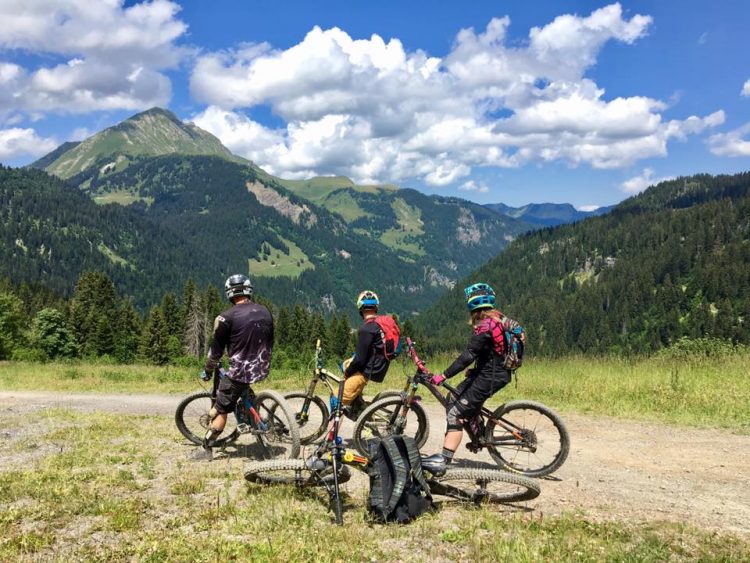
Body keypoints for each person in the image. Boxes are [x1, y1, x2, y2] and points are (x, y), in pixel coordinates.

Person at [429, 282, 525, 464]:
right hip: (492, 373)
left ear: (472, 305)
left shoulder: (484, 326)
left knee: (455, 413)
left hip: (491, 377)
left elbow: (468, 355)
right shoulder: (498, 319)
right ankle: (477, 432)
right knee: (453, 397)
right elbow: (493, 351)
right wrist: (476, 369)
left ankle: (443, 462)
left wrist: (444, 375)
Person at [193, 274, 274, 461]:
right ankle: (250, 413)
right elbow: (270, 340)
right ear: (249, 290)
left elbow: (215, 351)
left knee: (221, 408)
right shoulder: (265, 311)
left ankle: (206, 447)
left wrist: (207, 370)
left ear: (230, 293)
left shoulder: (225, 318)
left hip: (240, 372)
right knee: (242, 391)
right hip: (262, 367)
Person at [340, 290, 393, 420]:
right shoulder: (379, 325)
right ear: (376, 307)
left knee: (336, 399)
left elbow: (359, 360)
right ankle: (357, 402)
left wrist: (348, 372)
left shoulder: (366, 329)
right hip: (378, 366)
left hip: (367, 371)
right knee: (346, 364)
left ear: (360, 308)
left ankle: (332, 437)